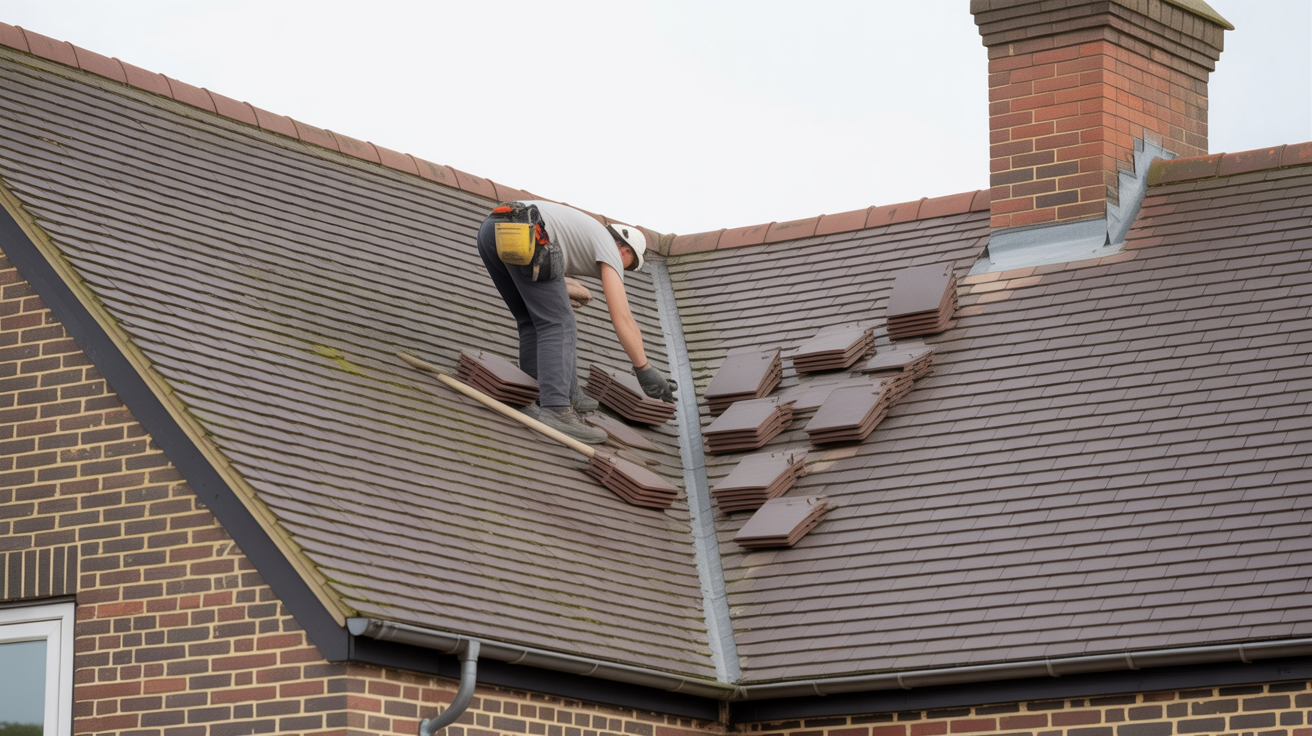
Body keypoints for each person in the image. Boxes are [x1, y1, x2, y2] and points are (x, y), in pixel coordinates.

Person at [477, 200, 677, 444]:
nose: (623, 270)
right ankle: (556, 409)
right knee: (560, 324)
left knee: (531, 319)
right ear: (624, 250)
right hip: (527, 232)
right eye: (629, 265)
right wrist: (644, 369)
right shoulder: (610, 248)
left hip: (492, 230)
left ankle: (533, 396)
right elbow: (622, 317)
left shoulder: (588, 233)